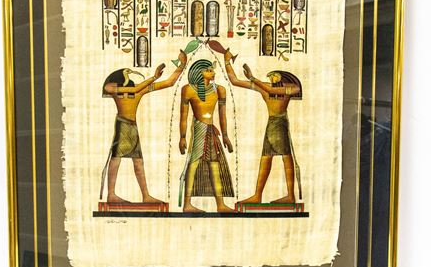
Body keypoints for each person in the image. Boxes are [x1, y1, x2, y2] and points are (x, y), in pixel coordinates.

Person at [100, 50, 187, 203]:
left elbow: (169, 83)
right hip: (122, 124)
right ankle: (111, 194)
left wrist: (182, 66)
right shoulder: (112, 86)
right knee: (116, 158)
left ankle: (146, 196)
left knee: (138, 162)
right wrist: (154, 77)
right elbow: (134, 89)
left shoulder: (139, 90)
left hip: (132, 127)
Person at [224, 50, 302, 203]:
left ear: (282, 77)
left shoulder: (292, 87)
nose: (271, 79)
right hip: (271, 124)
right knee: (266, 158)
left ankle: (290, 196)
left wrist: (253, 78)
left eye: (274, 76)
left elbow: (272, 90)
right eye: (270, 77)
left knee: (286, 157)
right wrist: (227, 62)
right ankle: (257, 195)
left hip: (280, 123)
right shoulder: (265, 87)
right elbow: (235, 81)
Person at [179, 59, 235, 212]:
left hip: (210, 130)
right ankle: (187, 204)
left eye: (212, 70)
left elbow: (222, 115)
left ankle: (220, 205)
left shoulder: (220, 90)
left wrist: (225, 135)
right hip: (199, 129)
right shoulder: (188, 90)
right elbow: (183, 116)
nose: (213, 72)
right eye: (209, 70)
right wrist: (182, 137)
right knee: (193, 164)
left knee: (214, 165)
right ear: (199, 72)